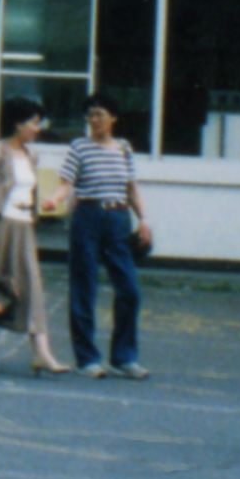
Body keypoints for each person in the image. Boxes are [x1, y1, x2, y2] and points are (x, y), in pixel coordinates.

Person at [0, 96, 69, 375]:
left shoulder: (32, 155)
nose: (37, 128)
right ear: (17, 123)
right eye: (33, 122)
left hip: (23, 226)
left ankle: (42, 352)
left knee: (31, 285)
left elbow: (28, 192)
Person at [62, 95, 151, 378]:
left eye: (100, 114)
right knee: (84, 288)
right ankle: (87, 359)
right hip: (88, 216)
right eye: (90, 115)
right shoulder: (79, 147)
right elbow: (66, 184)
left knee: (129, 290)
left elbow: (131, 188)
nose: (94, 120)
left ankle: (124, 357)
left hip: (118, 219)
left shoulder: (124, 148)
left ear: (113, 118)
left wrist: (144, 219)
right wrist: (55, 201)